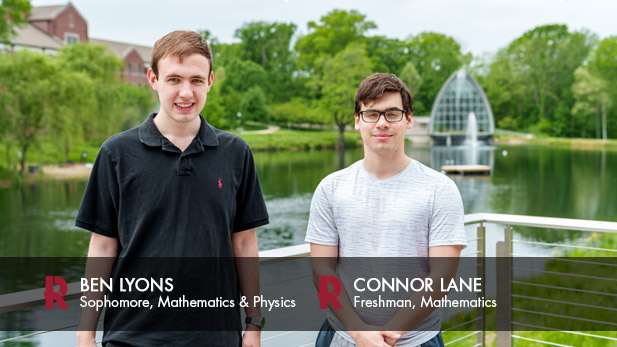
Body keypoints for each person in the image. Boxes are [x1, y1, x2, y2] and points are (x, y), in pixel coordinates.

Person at [75, 30, 269, 347]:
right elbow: (102, 248)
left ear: (210, 81)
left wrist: (254, 326)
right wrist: (85, 334)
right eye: (174, 79)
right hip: (131, 337)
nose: (185, 92)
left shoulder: (235, 153)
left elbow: (245, 244)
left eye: (195, 80)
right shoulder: (116, 153)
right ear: (153, 79)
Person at [305, 73, 467, 347]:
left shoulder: (440, 188)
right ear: (357, 120)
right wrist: (358, 332)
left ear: (409, 119)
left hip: (417, 340)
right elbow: (322, 270)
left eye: (392, 113)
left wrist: (392, 333)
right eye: (371, 114)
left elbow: (442, 276)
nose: (382, 123)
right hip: (342, 336)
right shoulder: (330, 188)